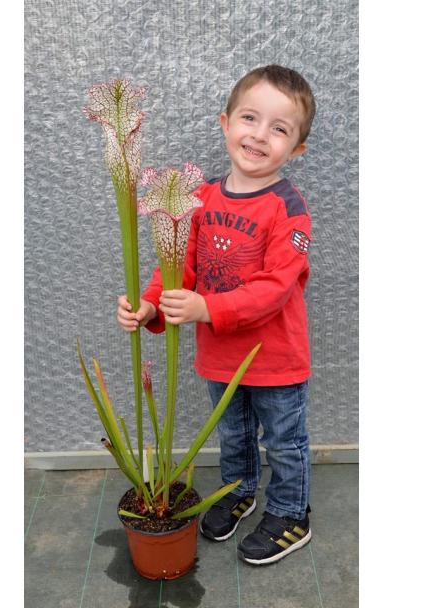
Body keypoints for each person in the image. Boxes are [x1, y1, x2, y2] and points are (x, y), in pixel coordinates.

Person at [117, 64, 316, 565]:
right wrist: (149, 307)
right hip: (220, 357)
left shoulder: (288, 208)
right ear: (225, 122)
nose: (259, 135)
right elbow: (176, 263)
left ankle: (292, 512)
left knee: (284, 441)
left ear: (296, 150)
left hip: (275, 361)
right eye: (250, 118)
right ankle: (239, 490)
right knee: (232, 433)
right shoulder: (199, 196)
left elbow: (274, 289)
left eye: (279, 128)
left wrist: (208, 307)